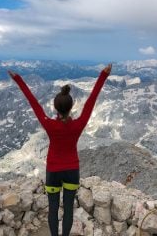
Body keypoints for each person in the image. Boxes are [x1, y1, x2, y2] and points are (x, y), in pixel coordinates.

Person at [8, 63, 112, 236]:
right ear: (71, 107)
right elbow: (92, 100)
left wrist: (18, 79)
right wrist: (103, 75)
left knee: (53, 209)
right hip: (72, 170)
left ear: (55, 108)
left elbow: (33, 101)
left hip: (53, 171)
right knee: (69, 209)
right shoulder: (78, 124)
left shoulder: (49, 124)